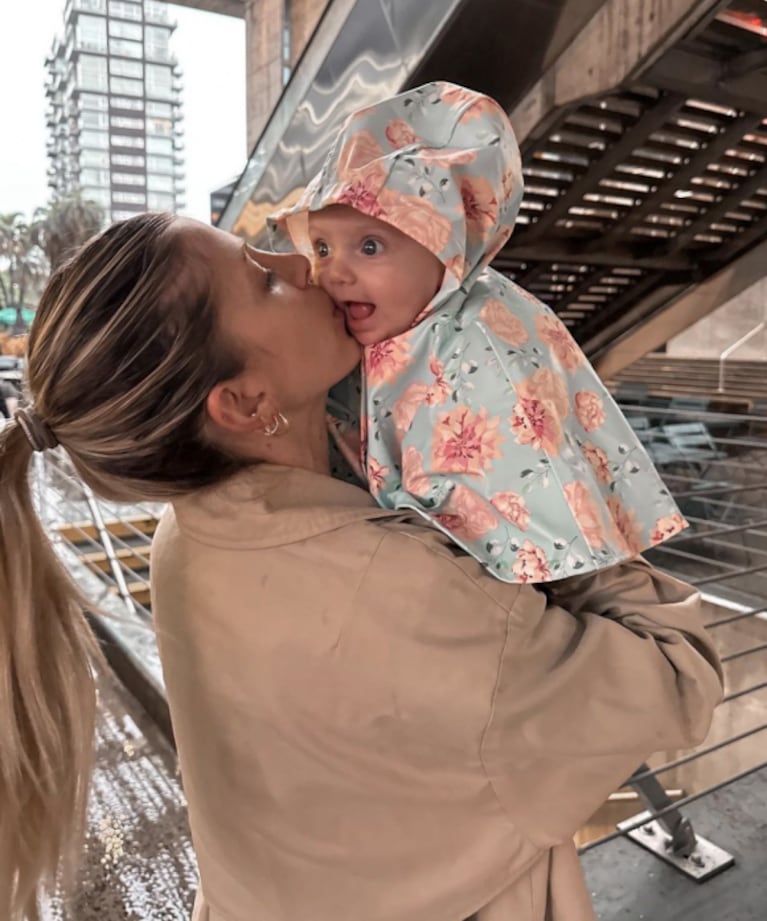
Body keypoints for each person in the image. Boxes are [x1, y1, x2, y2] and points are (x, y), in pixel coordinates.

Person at [0, 211, 722, 921]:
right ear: (247, 401)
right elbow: (675, 670)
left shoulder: (186, 535)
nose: (300, 265)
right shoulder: (389, 579)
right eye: (263, 282)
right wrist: (543, 466)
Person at [268, 81, 687, 585]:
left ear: (446, 245)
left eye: (370, 247)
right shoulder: (380, 325)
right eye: (322, 248)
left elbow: (514, 535)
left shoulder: (478, 344)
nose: (332, 273)